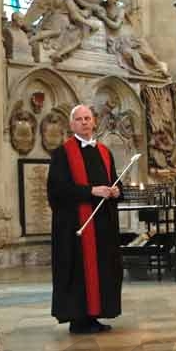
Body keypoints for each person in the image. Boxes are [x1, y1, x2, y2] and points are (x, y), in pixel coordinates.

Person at [47, 104, 123, 334]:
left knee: (102, 269)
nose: (84, 122)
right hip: (75, 226)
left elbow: (115, 180)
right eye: (79, 119)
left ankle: (94, 316)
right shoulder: (62, 153)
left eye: (87, 118)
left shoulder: (104, 152)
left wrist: (117, 191)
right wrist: (91, 191)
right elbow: (57, 189)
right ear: (71, 125)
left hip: (102, 225)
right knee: (78, 271)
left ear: (94, 121)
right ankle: (78, 319)